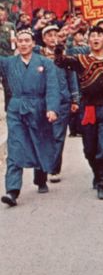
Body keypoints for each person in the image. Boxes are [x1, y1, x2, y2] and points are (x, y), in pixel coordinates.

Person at [55, 26, 103, 200]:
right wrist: (60, 45)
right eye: (93, 36)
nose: (96, 39)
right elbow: (60, 61)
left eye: (99, 36)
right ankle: (97, 172)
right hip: (88, 108)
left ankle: (102, 183)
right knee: (89, 149)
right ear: (88, 40)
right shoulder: (81, 60)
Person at [1, 28, 60, 207]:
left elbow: (52, 86)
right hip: (17, 109)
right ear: (16, 44)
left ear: (34, 43)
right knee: (15, 146)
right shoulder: (8, 63)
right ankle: (12, 190)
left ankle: (41, 178)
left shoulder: (45, 63)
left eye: (27, 40)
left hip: (39, 108)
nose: (24, 44)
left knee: (39, 142)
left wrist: (52, 108)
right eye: (21, 41)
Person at [39, 24, 80, 183]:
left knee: (58, 135)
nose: (52, 38)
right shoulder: (38, 55)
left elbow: (72, 77)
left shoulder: (64, 56)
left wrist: (75, 98)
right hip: (43, 100)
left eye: (55, 34)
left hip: (63, 99)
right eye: (49, 35)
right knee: (44, 134)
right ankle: (44, 164)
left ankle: (54, 168)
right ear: (43, 39)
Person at [0, 3, 15, 110]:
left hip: (7, 58)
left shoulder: (10, 26)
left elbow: (14, 43)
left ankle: (9, 108)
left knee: (8, 84)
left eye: (2, 10)